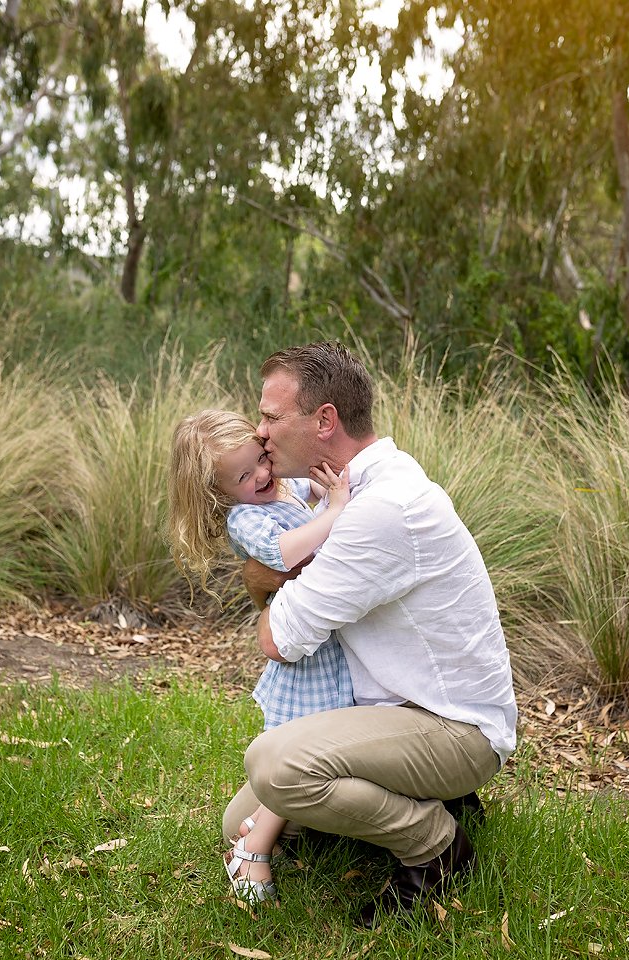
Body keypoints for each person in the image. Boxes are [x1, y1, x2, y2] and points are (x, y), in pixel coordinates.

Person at [222, 341, 518, 926]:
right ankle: (434, 800)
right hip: (394, 712)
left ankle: (435, 845)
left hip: (453, 728)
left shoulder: (382, 508)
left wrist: (265, 578)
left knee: (277, 767)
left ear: (325, 420)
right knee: (242, 823)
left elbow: (277, 639)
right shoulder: (357, 485)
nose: (260, 434)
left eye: (272, 417)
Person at [166, 409, 355, 904]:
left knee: (318, 746)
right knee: (298, 755)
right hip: (303, 659)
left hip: (321, 645)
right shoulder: (246, 516)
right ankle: (254, 845)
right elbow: (286, 552)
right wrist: (335, 510)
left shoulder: (279, 492)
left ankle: (276, 830)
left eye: (260, 461)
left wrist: (317, 494)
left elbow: (303, 520)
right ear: (219, 493)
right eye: (243, 477)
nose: (262, 476)